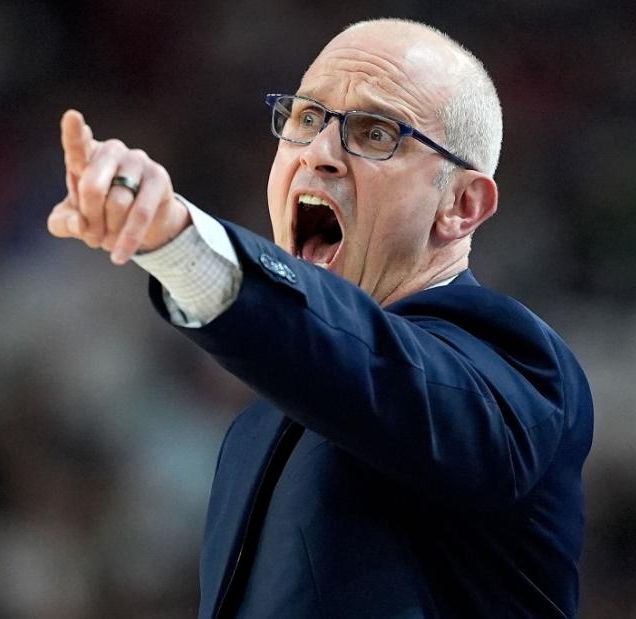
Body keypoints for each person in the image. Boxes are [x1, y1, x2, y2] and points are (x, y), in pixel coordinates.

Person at [48, 18, 593, 619]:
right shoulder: (253, 431)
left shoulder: (516, 366)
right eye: (306, 120)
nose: (320, 154)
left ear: (462, 205)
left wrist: (181, 243)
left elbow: (373, 369)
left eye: (376, 132)